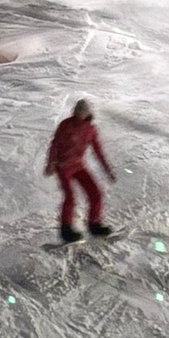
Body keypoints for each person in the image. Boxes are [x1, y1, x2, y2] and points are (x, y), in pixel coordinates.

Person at [44, 97, 115, 242]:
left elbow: (98, 150)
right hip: (63, 167)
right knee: (70, 197)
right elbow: (55, 144)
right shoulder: (66, 125)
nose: (77, 114)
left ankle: (94, 225)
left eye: (80, 112)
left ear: (87, 113)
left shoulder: (90, 130)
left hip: (78, 165)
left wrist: (107, 169)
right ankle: (66, 230)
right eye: (76, 111)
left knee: (95, 193)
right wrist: (51, 162)